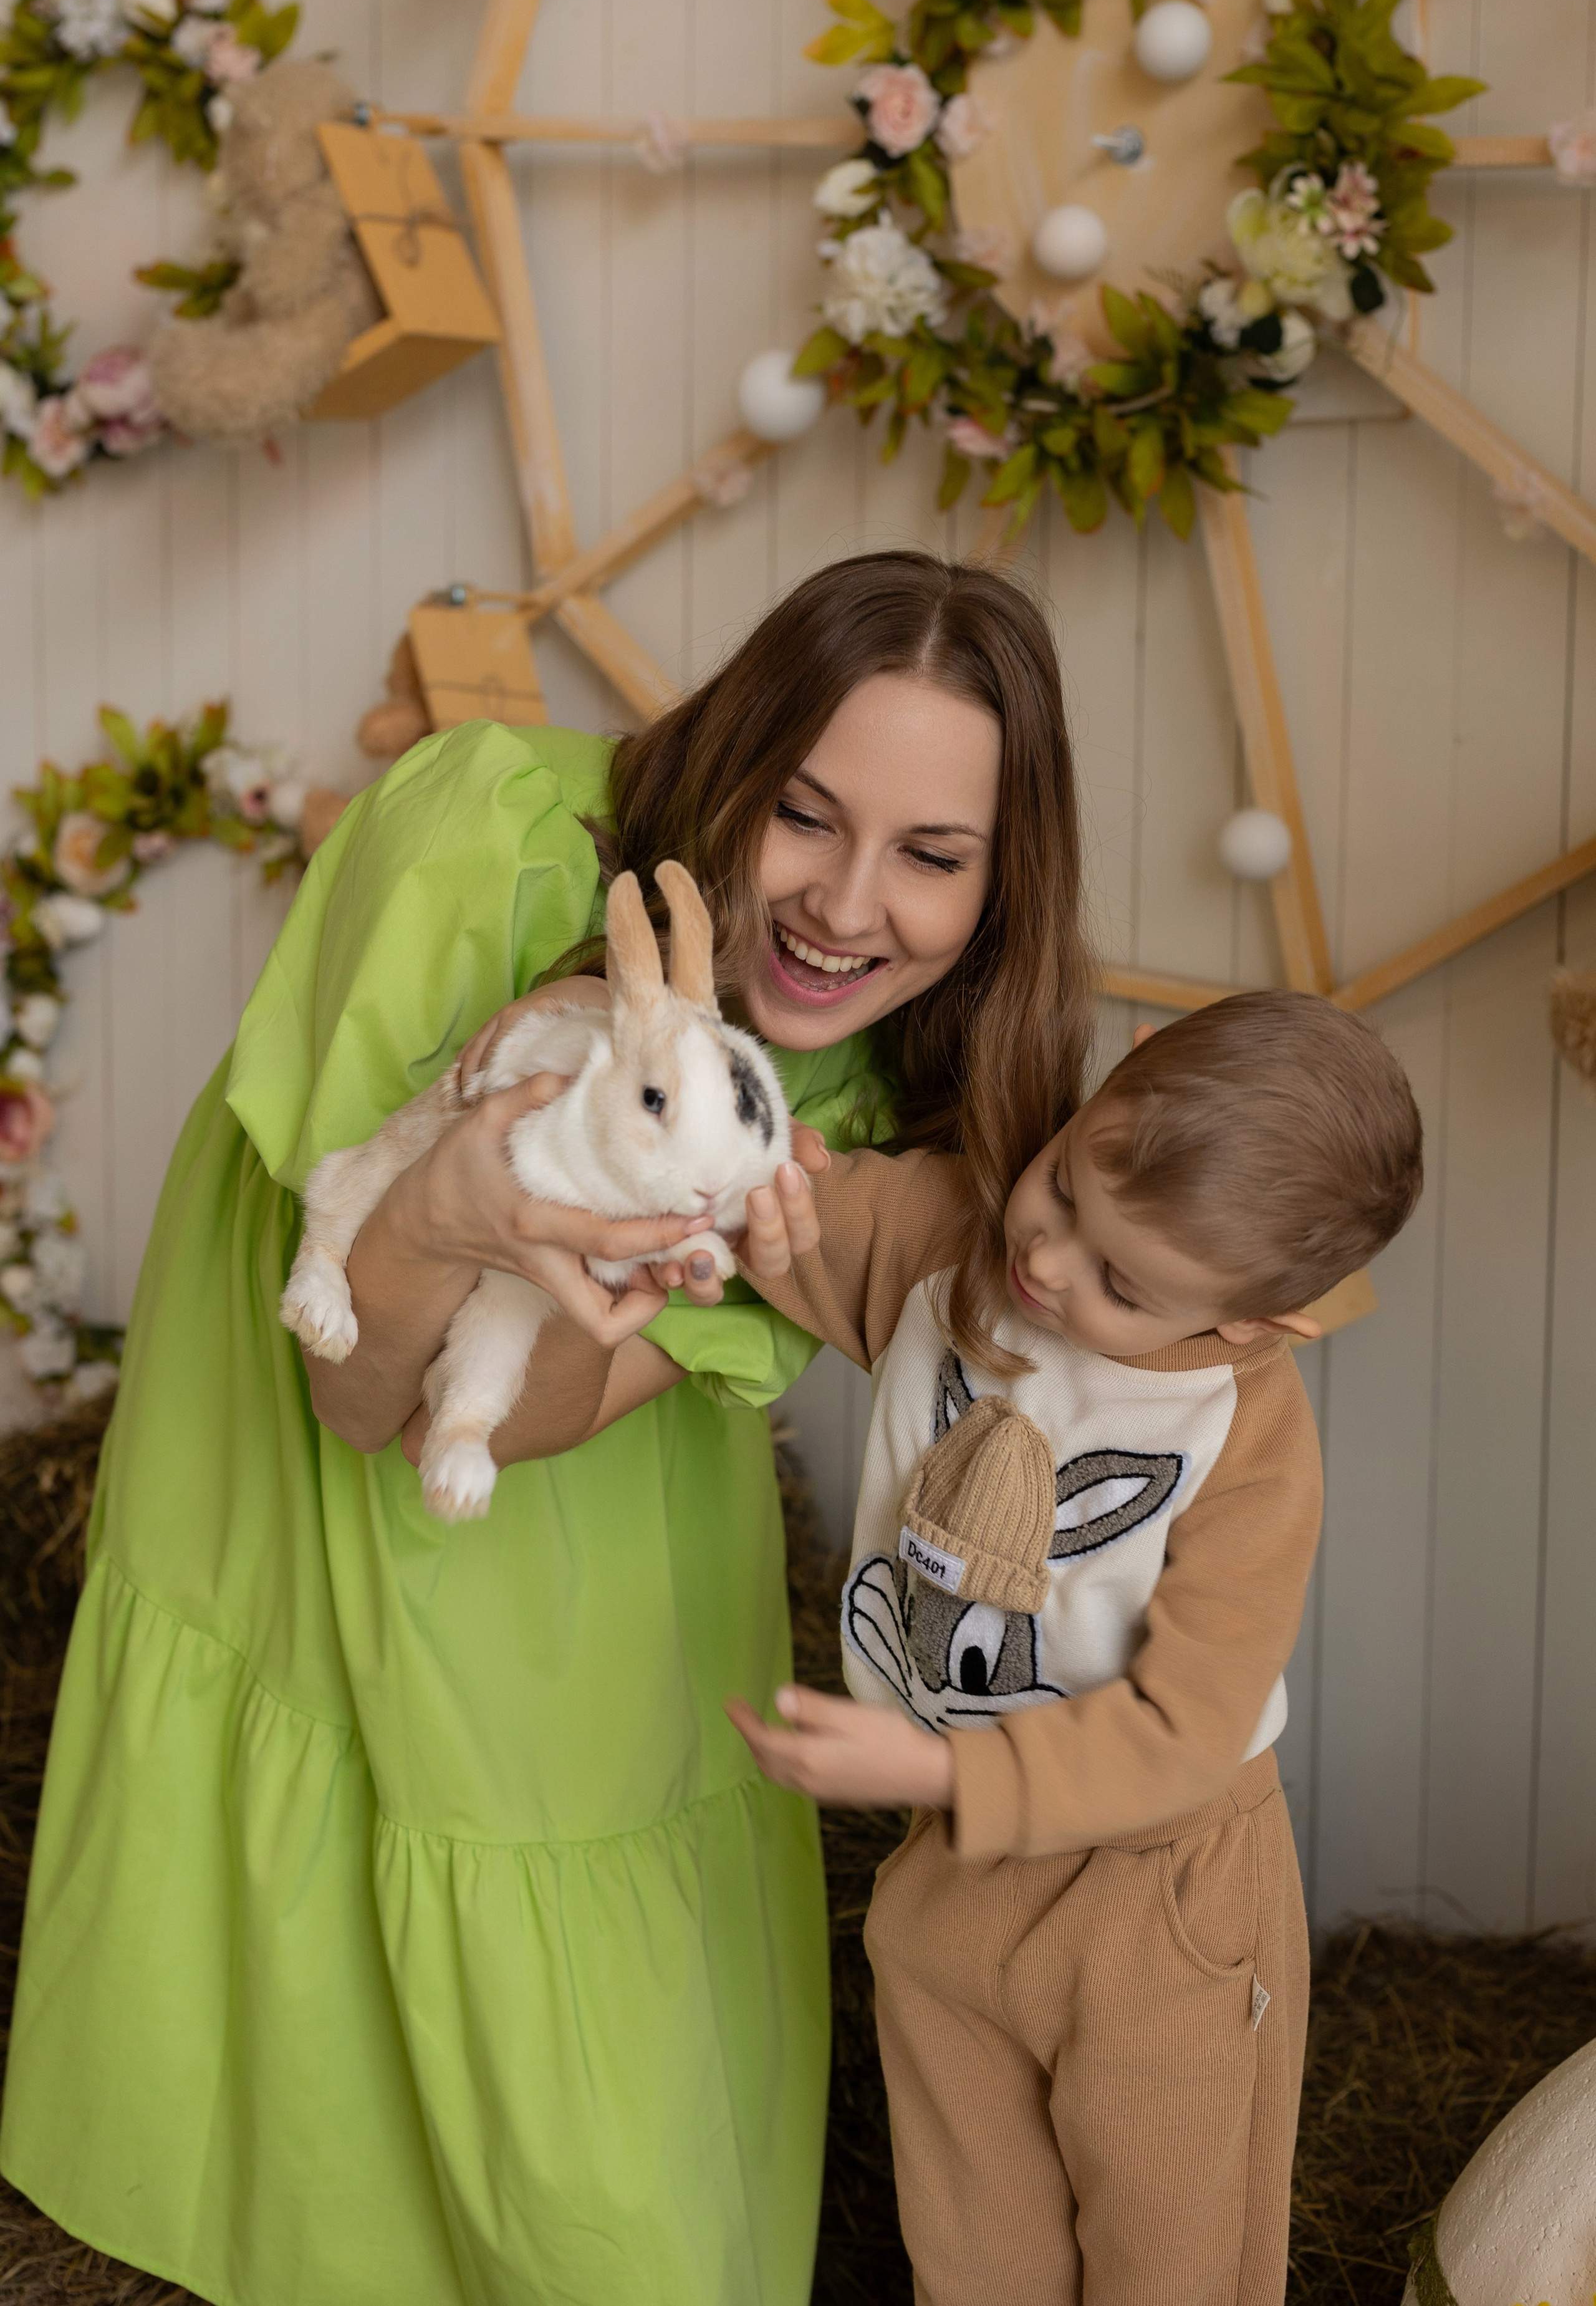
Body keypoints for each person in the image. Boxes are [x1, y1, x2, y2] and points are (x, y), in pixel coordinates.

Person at [0, 552, 1095, 2306]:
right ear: (735, 759)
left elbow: (529, 1417)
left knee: (609, 2150)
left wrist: (581, 1272)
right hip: (310, 1460)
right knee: (306, 2089)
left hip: (564, 1533)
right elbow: (355, 1395)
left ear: (1005, 880)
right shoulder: (475, 833)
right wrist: (450, 1208)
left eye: (932, 854)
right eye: (804, 815)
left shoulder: (867, 1111)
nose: (843, 906)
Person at [513, 990, 1424, 2306]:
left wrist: (936, 1770)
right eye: (1063, 1185)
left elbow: (1184, 1728)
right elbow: (785, 1211)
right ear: (1107, 1089)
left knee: (1167, 2248)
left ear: (1252, 1322)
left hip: (1156, 1894)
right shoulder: (953, 1236)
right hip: (950, 1864)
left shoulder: (1243, 1442)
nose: (1046, 1262)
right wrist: (733, 1167)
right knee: (972, 2237)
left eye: (1121, 1283)